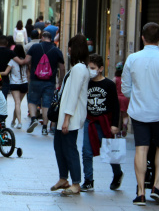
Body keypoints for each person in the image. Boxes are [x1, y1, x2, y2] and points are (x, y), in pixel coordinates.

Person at [122, 22, 159, 206]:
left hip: (139, 111)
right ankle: (157, 186)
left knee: (141, 147)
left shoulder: (132, 59)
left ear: (142, 38)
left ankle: (141, 192)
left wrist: (138, 97)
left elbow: (126, 89)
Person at [51, 34, 89, 195]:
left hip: (71, 115)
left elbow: (73, 95)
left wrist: (66, 118)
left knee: (69, 148)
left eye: (70, 47)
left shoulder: (79, 69)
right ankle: (63, 177)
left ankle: (76, 182)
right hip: (65, 114)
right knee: (59, 145)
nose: (68, 50)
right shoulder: (77, 68)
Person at [81, 54, 123, 192]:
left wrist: (115, 124)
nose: (90, 70)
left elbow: (116, 106)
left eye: (93, 68)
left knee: (110, 152)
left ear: (100, 69)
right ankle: (88, 180)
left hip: (105, 121)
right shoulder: (86, 82)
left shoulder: (109, 84)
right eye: (88, 68)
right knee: (86, 151)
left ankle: (117, 174)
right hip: (90, 121)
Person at [24, 31, 65, 135]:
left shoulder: (34, 47)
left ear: (42, 38)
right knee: (46, 104)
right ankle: (45, 127)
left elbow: (27, 60)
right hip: (50, 81)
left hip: (35, 79)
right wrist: (60, 80)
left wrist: (30, 70)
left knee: (32, 100)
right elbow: (62, 67)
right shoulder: (56, 50)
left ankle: (33, 119)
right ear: (51, 39)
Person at [0, 44, 28, 129]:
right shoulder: (25, 61)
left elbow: (5, 73)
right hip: (24, 83)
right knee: (18, 104)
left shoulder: (12, 61)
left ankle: (19, 122)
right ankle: (13, 121)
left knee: (17, 103)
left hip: (14, 83)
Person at [0, 36, 27, 100]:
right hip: (5, 78)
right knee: (4, 98)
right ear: (7, 43)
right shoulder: (10, 52)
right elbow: (20, 62)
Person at [113, 62, 130, 136]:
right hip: (126, 98)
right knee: (125, 114)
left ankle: (118, 131)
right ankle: (125, 124)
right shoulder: (126, 79)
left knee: (118, 115)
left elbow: (112, 88)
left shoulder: (115, 79)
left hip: (118, 98)